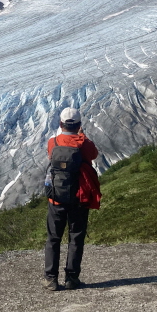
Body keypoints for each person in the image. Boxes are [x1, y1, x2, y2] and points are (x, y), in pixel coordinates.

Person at [42, 107, 98, 291]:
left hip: (56, 199)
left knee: (53, 238)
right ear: (79, 125)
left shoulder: (53, 142)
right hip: (79, 199)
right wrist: (83, 136)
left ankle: (50, 279)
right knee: (76, 238)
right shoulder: (84, 144)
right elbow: (93, 155)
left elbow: (51, 157)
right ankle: (72, 279)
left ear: (61, 124)